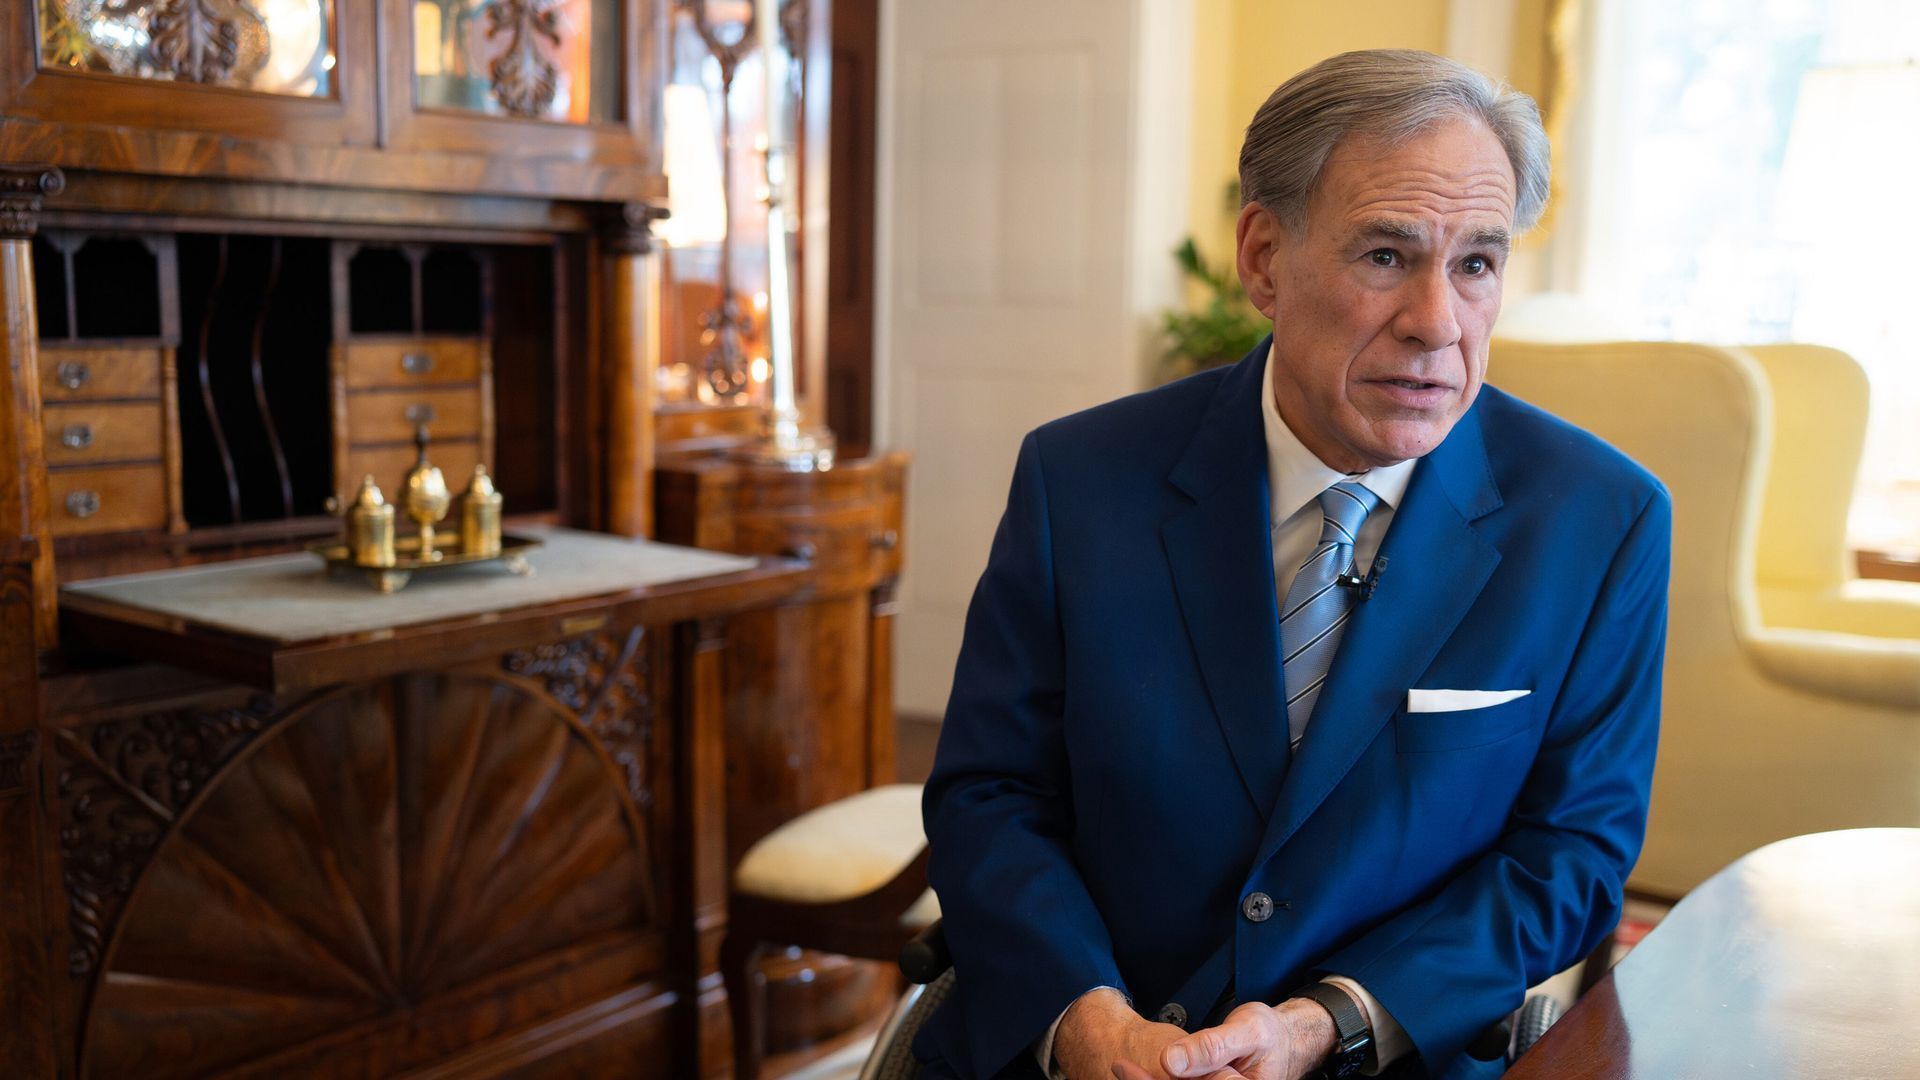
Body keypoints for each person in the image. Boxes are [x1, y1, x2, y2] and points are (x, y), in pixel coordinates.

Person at [915, 49, 1670, 1080]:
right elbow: (989, 795)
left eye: (1476, 264)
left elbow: (1571, 859)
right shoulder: (1079, 480)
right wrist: (1087, 1023)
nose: (1437, 323)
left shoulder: (1600, 520)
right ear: (1265, 259)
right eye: (1386, 256)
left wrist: (1331, 1024)